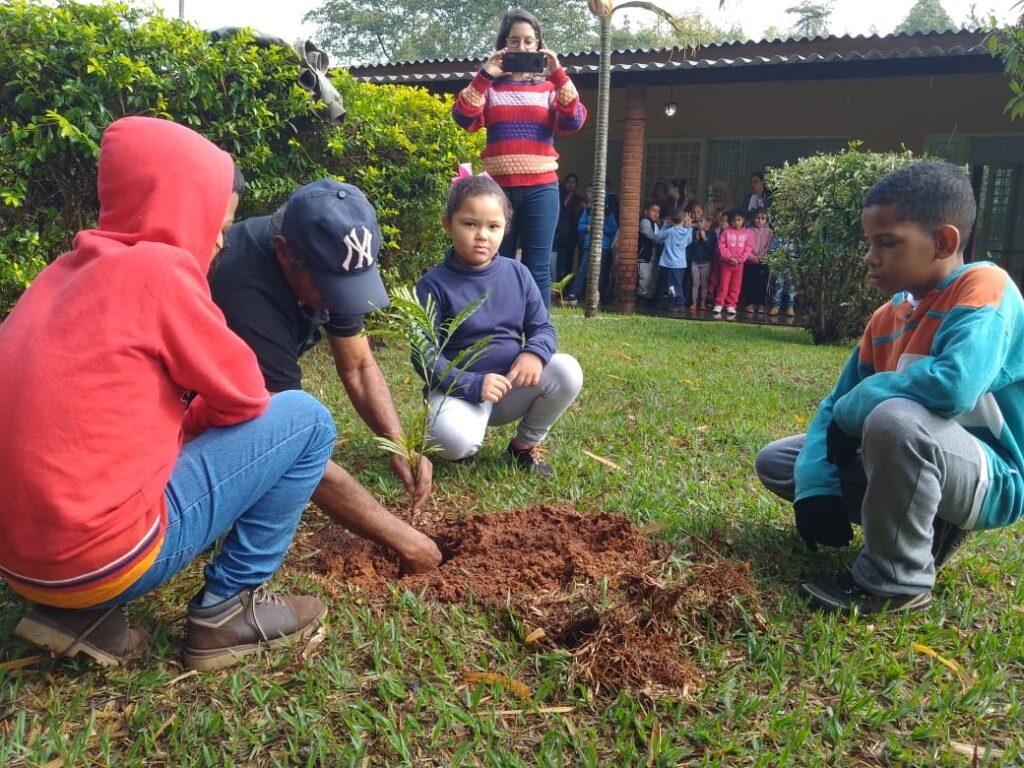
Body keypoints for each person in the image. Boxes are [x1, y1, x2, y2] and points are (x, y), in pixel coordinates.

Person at [0, 116, 335, 670]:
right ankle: (228, 610)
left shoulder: (59, 275)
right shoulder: (162, 269)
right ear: (185, 208)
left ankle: (79, 616)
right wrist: (196, 419)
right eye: (218, 222)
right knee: (306, 419)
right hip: (102, 557)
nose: (223, 240)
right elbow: (248, 396)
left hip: (23, 563)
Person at [755, 161, 1024, 615]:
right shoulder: (886, 318)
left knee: (893, 419)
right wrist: (816, 487)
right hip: (918, 454)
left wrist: (857, 406)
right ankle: (918, 522)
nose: (870, 256)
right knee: (782, 461)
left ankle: (896, 580)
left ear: (943, 242)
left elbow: (954, 386)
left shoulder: (985, 289)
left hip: (989, 474)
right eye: (869, 243)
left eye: (887, 242)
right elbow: (834, 406)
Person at [209, 180, 442, 576]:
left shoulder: (334, 262)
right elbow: (289, 443)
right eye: (331, 287)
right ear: (285, 253)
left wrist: (398, 444)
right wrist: (405, 540)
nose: (339, 300)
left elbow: (359, 366)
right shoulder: (245, 285)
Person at [415, 173, 583, 479]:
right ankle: (465, 444)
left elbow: (543, 328)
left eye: (493, 226)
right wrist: (471, 384)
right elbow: (423, 355)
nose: (482, 235)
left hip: (510, 386)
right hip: (458, 391)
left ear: (505, 229)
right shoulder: (432, 285)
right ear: (447, 224)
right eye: (470, 224)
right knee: (452, 442)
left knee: (566, 371)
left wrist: (533, 353)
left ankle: (523, 446)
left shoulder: (517, 274)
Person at [451, 8, 587, 308]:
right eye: (514, 41)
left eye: (529, 41)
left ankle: (539, 338)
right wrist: (486, 74)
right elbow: (463, 116)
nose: (521, 47)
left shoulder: (550, 88)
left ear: (539, 46)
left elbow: (573, 120)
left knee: (537, 269)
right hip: (497, 193)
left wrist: (558, 74)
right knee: (496, 263)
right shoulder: (491, 88)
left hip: (541, 190)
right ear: (503, 46)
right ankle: (497, 333)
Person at [565, 186, 619, 306]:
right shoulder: (588, 210)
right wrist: (587, 227)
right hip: (588, 245)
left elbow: (613, 228)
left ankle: (598, 296)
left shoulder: (608, 212)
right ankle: (574, 295)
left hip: (603, 246)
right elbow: (579, 227)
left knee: (602, 272)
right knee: (582, 270)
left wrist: (601, 227)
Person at [651, 207, 693, 313]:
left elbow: (658, 238)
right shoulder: (687, 232)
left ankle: (677, 303)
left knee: (671, 285)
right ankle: (676, 302)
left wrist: (665, 224)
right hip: (680, 264)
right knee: (677, 283)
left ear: (670, 219)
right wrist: (688, 226)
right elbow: (688, 242)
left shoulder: (669, 231)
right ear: (683, 219)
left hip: (669, 264)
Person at [713, 210, 754, 318]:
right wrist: (729, 257)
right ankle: (719, 303)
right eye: (734, 220)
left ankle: (731, 304)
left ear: (743, 220)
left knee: (735, 285)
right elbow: (722, 246)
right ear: (731, 221)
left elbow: (748, 248)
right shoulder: (726, 232)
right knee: (724, 284)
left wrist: (740, 259)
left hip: (739, 265)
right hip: (726, 263)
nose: (737, 222)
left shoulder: (747, 233)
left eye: (739, 220)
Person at [553, 172, 585, 282]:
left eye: (573, 183)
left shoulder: (579, 200)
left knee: (569, 260)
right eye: (569, 182)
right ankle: (557, 283)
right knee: (558, 260)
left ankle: (566, 285)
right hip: (559, 234)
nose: (571, 185)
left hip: (572, 234)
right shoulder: (559, 196)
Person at [742, 210, 774, 313]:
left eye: (762, 218)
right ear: (753, 219)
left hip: (763, 262)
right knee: (750, 282)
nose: (760, 221)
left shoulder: (769, 232)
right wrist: (752, 257)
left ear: (766, 220)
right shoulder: (748, 231)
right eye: (757, 218)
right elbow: (745, 246)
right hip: (750, 262)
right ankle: (750, 303)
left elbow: (769, 246)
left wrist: (762, 257)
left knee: (762, 283)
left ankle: (761, 303)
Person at [688, 213, 718, 313]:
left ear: (708, 223)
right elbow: (691, 246)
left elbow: (711, 249)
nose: (699, 223)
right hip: (695, 262)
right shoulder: (694, 231)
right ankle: (694, 302)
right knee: (695, 283)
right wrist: (696, 239)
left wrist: (705, 238)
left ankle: (703, 302)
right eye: (698, 221)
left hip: (706, 262)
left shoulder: (712, 233)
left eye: (701, 221)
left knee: (704, 283)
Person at [636, 200, 662, 306]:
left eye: (658, 211)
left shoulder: (657, 224)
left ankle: (649, 299)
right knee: (645, 279)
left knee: (652, 280)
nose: (656, 214)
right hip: (645, 255)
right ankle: (642, 299)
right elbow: (650, 235)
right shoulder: (645, 222)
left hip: (654, 256)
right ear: (646, 212)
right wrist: (662, 238)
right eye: (653, 210)